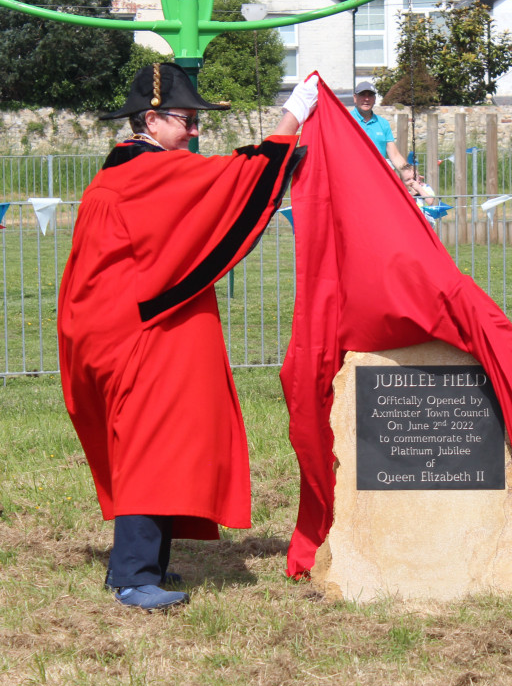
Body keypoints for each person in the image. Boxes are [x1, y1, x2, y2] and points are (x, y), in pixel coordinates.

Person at [57, 63, 319, 610]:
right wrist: (291, 117)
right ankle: (132, 576)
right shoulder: (143, 171)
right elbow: (228, 178)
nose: (196, 131)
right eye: (187, 120)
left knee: (169, 441)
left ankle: (145, 565)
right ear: (151, 119)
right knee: (153, 446)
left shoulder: (134, 169)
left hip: (140, 324)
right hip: (138, 331)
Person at [350, 81, 406, 171]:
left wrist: (409, 172)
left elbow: (395, 156)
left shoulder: (383, 124)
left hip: (377, 177)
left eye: (370, 95)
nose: (366, 99)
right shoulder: (346, 120)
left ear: (375, 99)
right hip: (353, 175)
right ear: (355, 98)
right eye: (362, 95)